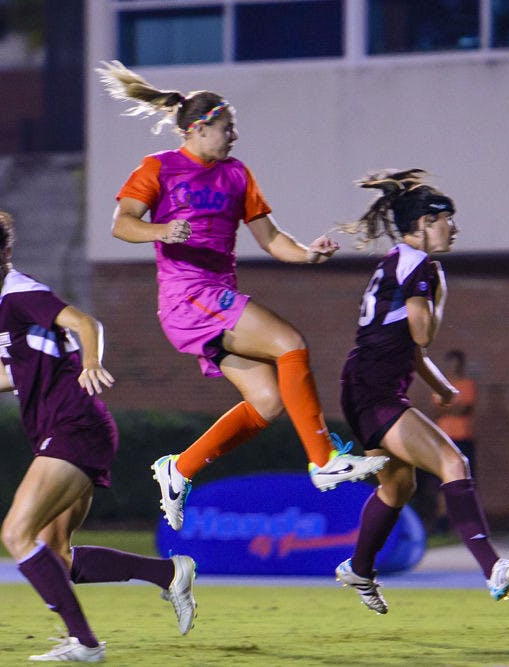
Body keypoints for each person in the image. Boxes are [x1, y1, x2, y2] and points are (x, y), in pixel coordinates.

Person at [0, 209, 196, 663]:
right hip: (73, 430)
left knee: (15, 533)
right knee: (56, 555)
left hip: (74, 428)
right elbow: (2, 374)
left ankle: (86, 644)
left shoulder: (20, 292)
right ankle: (170, 573)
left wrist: (91, 362)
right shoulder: (3, 306)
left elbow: (88, 325)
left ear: (4, 254)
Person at [98, 61, 388, 531]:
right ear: (198, 128)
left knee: (269, 402)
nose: (235, 136)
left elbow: (271, 239)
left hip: (216, 299)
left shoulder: (236, 174)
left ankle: (180, 469)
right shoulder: (159, 168)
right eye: (227, 128)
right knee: (289, 342)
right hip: (187, 297)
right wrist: (164, 229)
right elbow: (122, 224)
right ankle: (323, 459)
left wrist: (308, 255)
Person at [333, 169, 509, 614]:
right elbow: (422, 334)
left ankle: (359, 569)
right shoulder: (420, 267)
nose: (454, 228)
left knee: (398, 488)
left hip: (365, 383)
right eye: (446, 219)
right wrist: (436, 289)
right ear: (423, 223)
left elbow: (406, 345)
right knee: (451, 461)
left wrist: (439, 386)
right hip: (374, 390)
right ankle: (493, 568)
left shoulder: (398, 262)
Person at [414, 349, 476, 534]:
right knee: (441, 479)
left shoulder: (467, 385)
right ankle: (443, 520)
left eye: (456, 363)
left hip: (462, 437)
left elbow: (464, 410)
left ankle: (464, 520)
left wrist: (448, 408)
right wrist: (452, 409)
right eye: (450, 363)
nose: (452, 367)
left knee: (462, 479)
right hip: (443, 439)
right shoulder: (439, 385)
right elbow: (437, 412)